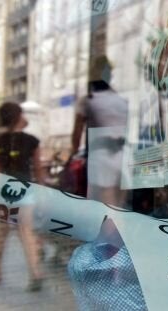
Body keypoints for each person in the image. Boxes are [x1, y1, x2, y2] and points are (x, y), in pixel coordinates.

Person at [0, 102, 45, 292]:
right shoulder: (32, 141)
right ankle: (35, 273)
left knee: (1, 234)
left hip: (2, 193)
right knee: (26, 232)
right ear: (19, 116)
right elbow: (38, 171)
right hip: (24, 192)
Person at [71, 56, 129, 207]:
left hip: (102, 155)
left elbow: (77, 134)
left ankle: (111, 229)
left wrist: (73, 153)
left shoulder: (88, 100)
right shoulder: (121, 100)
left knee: (107, 204)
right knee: (119, 205)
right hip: (124, 155)